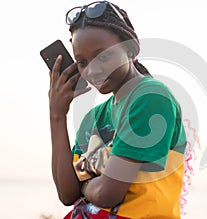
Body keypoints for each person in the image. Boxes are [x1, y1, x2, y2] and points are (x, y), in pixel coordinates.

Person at [48, 1, 187, 218]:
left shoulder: (150, 98)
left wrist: (84, 187)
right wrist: (57, 115)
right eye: (82, 62)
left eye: (103, 56)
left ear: (130, 48)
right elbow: (67, 194)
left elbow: (107, 194)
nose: (92, 70)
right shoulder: (93, 119)